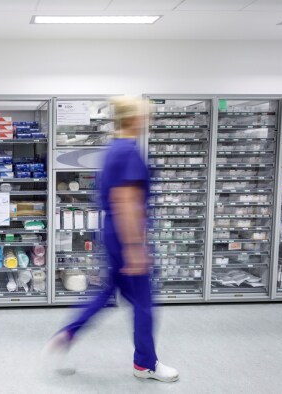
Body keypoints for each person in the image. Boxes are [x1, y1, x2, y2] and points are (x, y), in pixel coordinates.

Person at [43, 97, 179, 383]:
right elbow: (126, 201)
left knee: (107, 291)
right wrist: (134, 248)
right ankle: (146, 364)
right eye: (145, 116)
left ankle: (69, 332)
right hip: (126, 235)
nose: (148, 121)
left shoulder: (113, 149)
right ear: (133, 119)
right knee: (143, 304)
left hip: (111, 232)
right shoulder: (129, 151)